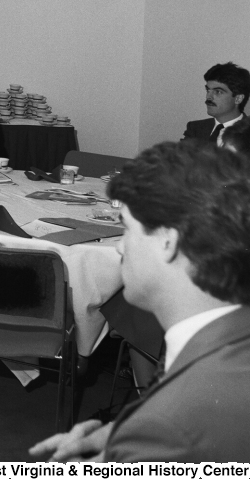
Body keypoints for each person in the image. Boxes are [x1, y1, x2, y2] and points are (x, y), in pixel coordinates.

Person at [29, 140, 250, 463]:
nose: (119, 249)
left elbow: (180, 424)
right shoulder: (228, 329)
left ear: (167, 243)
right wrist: (121, 433)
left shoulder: (170, 424)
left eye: (127, 231)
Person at [183, 61, 250, 144]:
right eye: (208, 90)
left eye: (218, 92)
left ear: (238, 98)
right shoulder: (196, 129)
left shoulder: (247, 132)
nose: (209, 97)